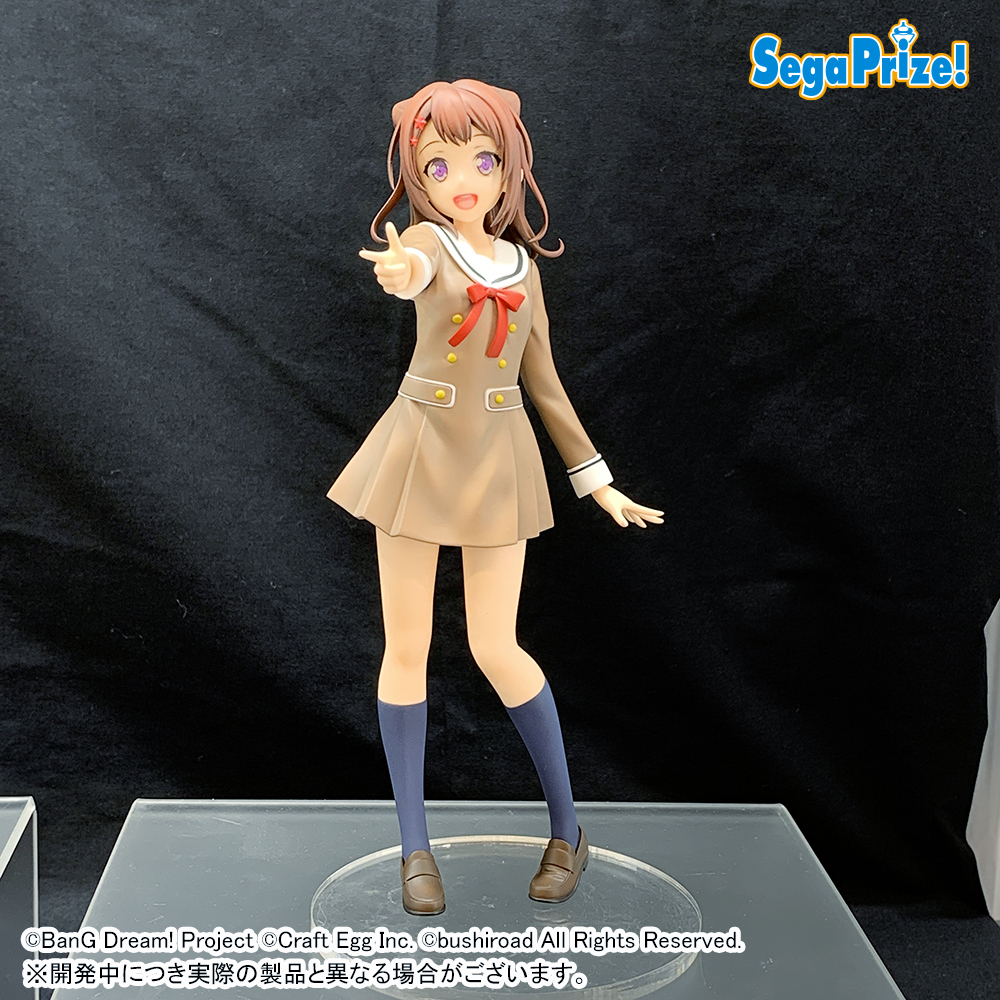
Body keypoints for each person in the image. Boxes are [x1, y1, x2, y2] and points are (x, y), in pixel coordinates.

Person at [328, 79, 662, 915]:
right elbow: (409, 269)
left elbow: (544, 380)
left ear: (509, 165)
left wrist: (596, 479)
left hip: (496, 458)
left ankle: (568, 830)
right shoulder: (427, 243)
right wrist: (399, 270)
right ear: (417, 176)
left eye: (482, 160)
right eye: (439, 166)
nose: (464, 180)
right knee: (406, 646)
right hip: (418, 449)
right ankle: (414, 847)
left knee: (495, 645)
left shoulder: (521, 267)